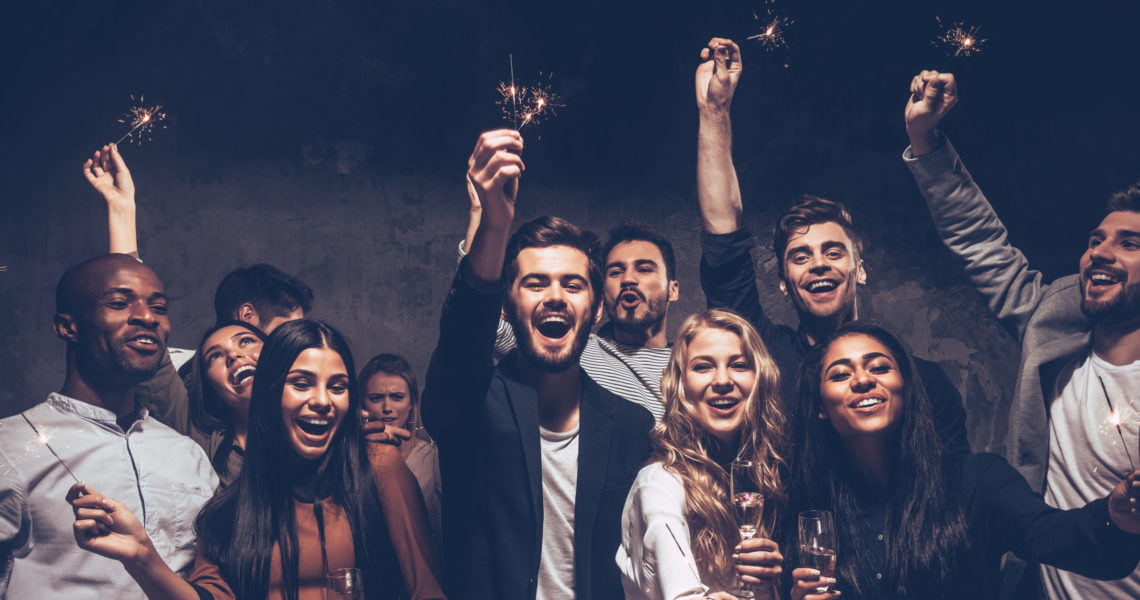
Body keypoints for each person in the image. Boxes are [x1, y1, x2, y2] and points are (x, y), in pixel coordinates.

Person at [903, 69, 1140, 598]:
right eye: (1096, 239)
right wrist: (926, 141)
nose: (1099, 252)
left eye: (1130, 243)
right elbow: (979, 241)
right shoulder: (1053, 323)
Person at [693, 38, 969, 455]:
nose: (819, 265)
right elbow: (723, 237)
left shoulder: (918, 384)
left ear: (860, 268)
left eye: (834, 252)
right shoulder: (763, 359)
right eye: (800, 257)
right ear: (785, 283)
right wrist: (714, 112)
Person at [423, 130, 655, 600]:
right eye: (535, 283)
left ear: (594, 309)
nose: (554, 296)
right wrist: (492, 226)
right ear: (505, 308)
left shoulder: (632, 425)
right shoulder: (470, 406)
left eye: (573, 284)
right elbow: (463, 340)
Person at [68, 319, 444, 600]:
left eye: (338, 386)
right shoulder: (229, 512)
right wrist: (141, 556)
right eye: (301, 383)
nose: (323, 400)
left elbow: (426, 589)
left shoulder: (377, 467)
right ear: (268, 394)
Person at [784, 322, 1140, 600]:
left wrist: (1114, 517)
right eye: (841, 374)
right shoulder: (811, 511)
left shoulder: (978, 483)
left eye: (879, 368)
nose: (862, 380)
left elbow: (1059, 537)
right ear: (819, 407)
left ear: (906, 390)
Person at [0, 254, 218, 598]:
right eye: (118, 303)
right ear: (67, 326)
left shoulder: (188, 454)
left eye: (159, 308)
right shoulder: (10, 445)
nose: (148, 317)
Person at [617, 309, 787, 600]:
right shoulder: (660, 483)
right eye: (703, 367)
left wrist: (765, 588)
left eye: (739, 365)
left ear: (759, 379)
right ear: (679, 384)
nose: (722, 380)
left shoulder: (757, 480)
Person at [464, 198, 679, 421]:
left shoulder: (693, 365)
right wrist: (483, 215)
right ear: (601, 295)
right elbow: (479, 316)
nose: (628, 279)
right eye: (615, 272)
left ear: (673, 290)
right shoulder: (568, 346)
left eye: (644, 269)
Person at [359, 353, 442, 559]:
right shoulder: (353, 459)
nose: (387, 408)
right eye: (376, 398)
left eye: (397, 397)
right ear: (362, 404)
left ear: (412, 403)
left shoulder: (433, 459)